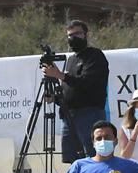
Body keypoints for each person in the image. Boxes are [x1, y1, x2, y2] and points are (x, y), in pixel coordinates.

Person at [42, 18, 110, 163]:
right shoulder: (71, 59)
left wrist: (59, 74)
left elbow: (86, 83)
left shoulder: (95, 56)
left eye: (77, 34)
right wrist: (54, 98)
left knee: (92, 155)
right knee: (72, 158)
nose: (73, 38)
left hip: (89, 113)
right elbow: (69, 88)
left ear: (86, 35)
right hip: (69, 115)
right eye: (70, 35)